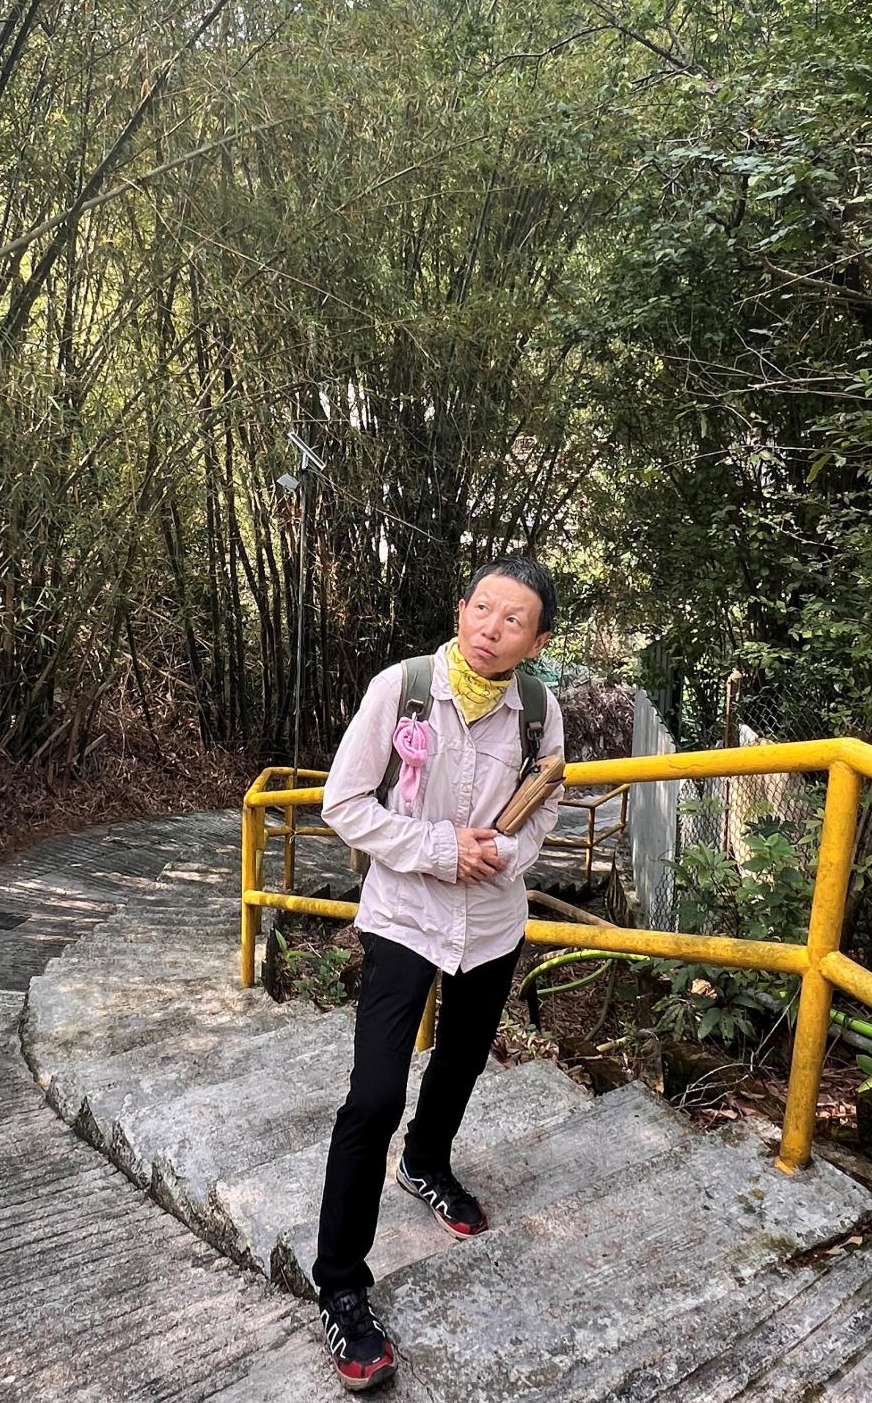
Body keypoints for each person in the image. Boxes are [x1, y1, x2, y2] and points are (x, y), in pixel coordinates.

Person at [312, 556, 564, 1392]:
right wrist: (439, 849)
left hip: (491, 923)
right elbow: (344, 804)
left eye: (513, 619)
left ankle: (427, 1163)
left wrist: (505, 856)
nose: (492, 628)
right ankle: (340, 1286)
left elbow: (546, 802)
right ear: (461, 610)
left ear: (537, 640)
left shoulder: (540, 710)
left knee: (460, 1059)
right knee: (373, 1096)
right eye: (482, 608)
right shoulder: (404, 689)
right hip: (404, 917)